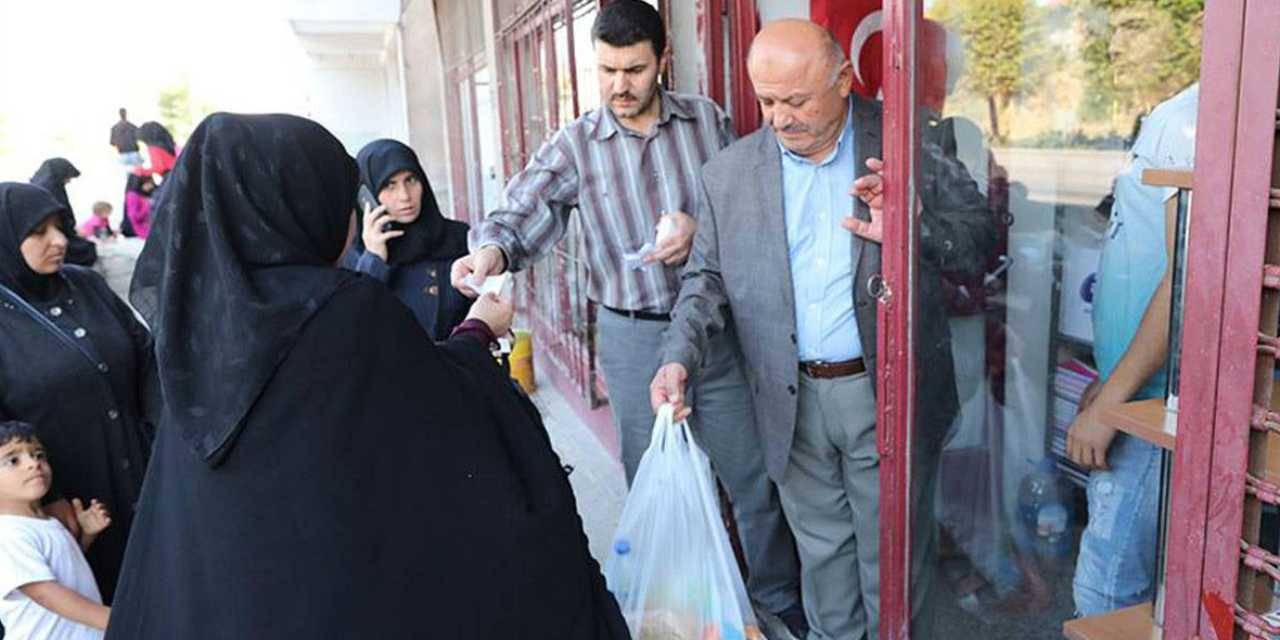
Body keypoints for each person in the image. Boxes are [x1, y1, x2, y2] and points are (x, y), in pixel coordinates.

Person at [105, 112, 628, 639]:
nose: (353, 217)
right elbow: (444, 408)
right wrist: (477, 334)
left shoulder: (200, 330)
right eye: (344, 199)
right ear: (298, 206)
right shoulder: (341, 310)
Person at [448, 2, 804, 634]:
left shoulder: (707, 121)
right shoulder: (577, 144)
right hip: (631, 333)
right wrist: (491, 253)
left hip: (714, 329)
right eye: (607, 69)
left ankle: (776, 610)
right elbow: (520, 215)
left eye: (634, 69)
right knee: (655, 482)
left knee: (753, 481)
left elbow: (750, 207)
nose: (620, 85)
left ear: (663, 59)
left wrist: (700, 229)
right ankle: (678, 618)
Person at [650, 19, 993, 639]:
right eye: (767, 101)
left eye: (797, 100)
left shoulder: (907, 138)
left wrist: (912, 231)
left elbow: (979, 238)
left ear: (843, 79)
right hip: (791, 399)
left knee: (892, 564)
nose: (781, 119)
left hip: (884, 391)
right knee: (824, 560)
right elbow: (705, 280)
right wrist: (678, 357)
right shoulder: (729, 174)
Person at [1066, 82, 1199, 616]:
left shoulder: (1188, 119)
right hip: (1137, 390)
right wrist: (1109, 382)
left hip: (1150, 404)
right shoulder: (1182, 113)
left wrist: (1109, 406)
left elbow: (1186, 280)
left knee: (1108, 593)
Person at [0, 182, 156, 604]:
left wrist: (163, 438)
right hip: (72, 503)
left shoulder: (85, 284)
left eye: (60, 226)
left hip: (146, 475)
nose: (59, 241)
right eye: (38, 232)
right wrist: (40, 497)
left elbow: (145, 357)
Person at [342, 139, 472, 340]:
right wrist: (374, 258)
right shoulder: (352, 255)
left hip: (458, 357)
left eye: (411, 180)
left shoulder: (457, 237)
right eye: (389, 185)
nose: (405, 196)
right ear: (366, 195)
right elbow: (355, 321)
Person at [0, 421, 113, 638]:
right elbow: (44, 593)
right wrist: (118, 620)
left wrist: (86, 535)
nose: (33, 463)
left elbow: (63, 569)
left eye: (38, 455)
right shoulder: (8, 533)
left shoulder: (46, 523)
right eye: (13, 460)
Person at [29, 159, 95, 267]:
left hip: (52, 233)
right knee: (87, 249)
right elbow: (62, 218)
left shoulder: (42, 186)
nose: (68, 181)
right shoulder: (51, 191)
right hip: (53, 235)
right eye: (68, 177)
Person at [120, 175, 154, 240]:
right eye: (148, 184)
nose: (151, 186)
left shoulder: (144, 195)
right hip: (136, 232)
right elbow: (134, 216)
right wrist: (147, 206)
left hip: (144, 229)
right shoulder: (132, 195)